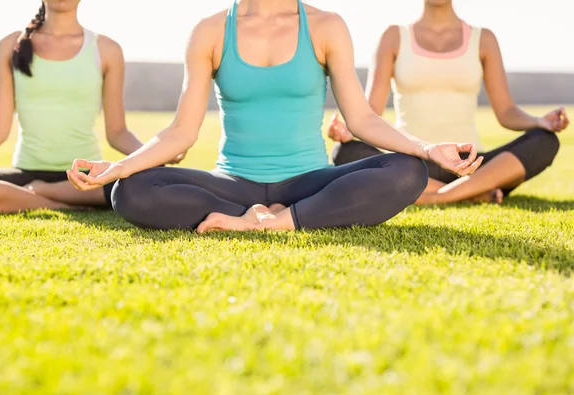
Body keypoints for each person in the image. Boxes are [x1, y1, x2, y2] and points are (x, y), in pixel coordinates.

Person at [67, 0, 482, 233]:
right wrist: (118, 167)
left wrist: (427, 150)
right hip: (232, 186)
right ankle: (246, 218)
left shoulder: (325, 26)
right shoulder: (211, 30)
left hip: (309, 181)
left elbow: (361, 119)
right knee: (130, 190)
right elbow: (181, 132)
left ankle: (282, 221)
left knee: (407, 171)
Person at [328, 0, 569, 204]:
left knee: (544, 141)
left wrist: (538, 121)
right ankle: (472, 193)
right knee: (345, 152)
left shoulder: (483, 39)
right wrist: (348, 128)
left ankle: (437, 196)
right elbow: (371, 113)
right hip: (412, 162)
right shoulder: (394, 37)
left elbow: (506, 112)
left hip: (474, 164)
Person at [0, 0, 183, 213]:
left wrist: (159, 155)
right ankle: (56, 201)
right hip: (26, 174)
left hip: (85, 176)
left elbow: (118, 133)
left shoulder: (107, 50)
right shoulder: (10, 44)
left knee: (139, 181)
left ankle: (34, 195)